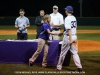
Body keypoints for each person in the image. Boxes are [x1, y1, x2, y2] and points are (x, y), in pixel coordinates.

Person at [56, 6, 83, 72]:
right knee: (74, 53)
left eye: (65, 10)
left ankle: (59, 67)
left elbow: (69, 30)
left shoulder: (67, 18)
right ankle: (79, 67)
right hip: (74, 36)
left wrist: (70, 39)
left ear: (67, 11)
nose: (65, 11)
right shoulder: (74, 17)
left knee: (62, 53)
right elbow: (70, 29)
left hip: (68, 37)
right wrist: (62, 33)